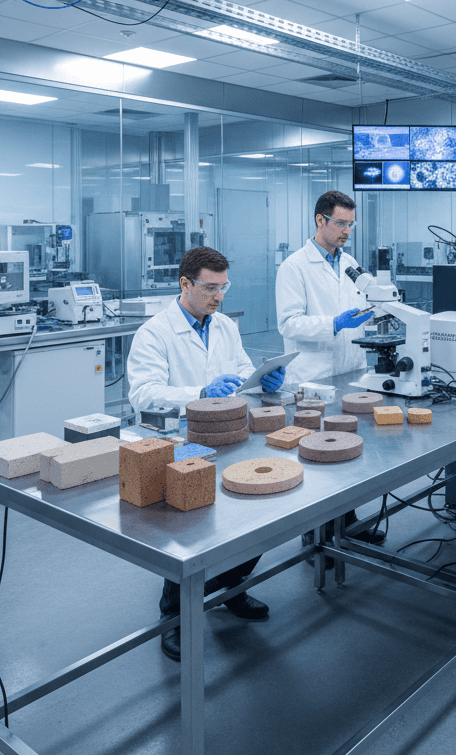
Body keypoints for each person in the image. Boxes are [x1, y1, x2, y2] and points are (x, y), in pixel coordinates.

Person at [127, 245, 286, 661]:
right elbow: (143, 394)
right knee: (192, 533)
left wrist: (262, 381)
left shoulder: (224, 326)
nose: (218, 296)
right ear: (185, 284)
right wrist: (197, 394)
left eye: (223, 287)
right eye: (210, 288)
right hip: (181, 442)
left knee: (252, 514)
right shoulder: (154, 332)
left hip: (231, 435)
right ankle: (174, 618)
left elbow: (241, 372)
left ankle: (234, 588)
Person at [275, 190, 386, 548]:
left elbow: (361, 308)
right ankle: (315, 534)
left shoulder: (349, 263)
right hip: (313, 378)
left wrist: (375, 315)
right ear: (320, 220)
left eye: (351, 225)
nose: (346, 231)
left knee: (349, 452)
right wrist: (334, 323)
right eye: (340, 223)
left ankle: (349, 523)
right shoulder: (294, 266)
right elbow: (289, 324)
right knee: (318, 456)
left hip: (350, 371)